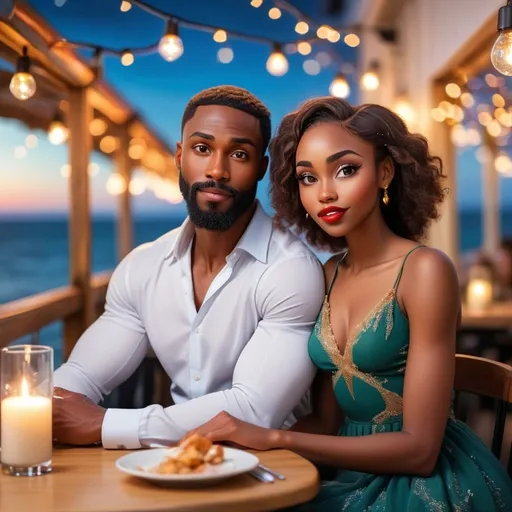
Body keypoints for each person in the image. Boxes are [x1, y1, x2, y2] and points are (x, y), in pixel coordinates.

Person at [182, 97, 512, 510]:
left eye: (346, 170)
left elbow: (420, 450)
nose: (325, 193)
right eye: (307, 178)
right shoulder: (326, 274)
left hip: (418, 485)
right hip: (339, 469)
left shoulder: (425, 270)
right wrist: (241, 445)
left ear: (385, 172)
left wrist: (276, 438)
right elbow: (325, 421)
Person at [51, 86, 325, 449]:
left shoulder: (290, 271)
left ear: (261, 168)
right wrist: (41, 407)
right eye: (202, 148)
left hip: (272, 470)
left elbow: (254, 409)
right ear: (180, 157)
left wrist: (105, 423)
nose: (217, 170)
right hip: (175, 465)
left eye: (239, 154)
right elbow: (82, 375)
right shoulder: (143, 267)